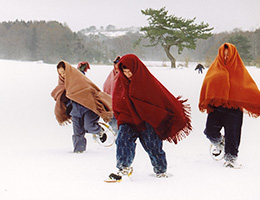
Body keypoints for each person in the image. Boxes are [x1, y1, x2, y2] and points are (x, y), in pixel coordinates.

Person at [111, 54, 192, 178]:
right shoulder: (121, 83)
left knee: (153, 146)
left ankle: (161, 170)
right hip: (128, 119)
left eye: (130, 71)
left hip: (147, 120)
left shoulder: (146, 81)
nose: (127, 74)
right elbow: (118, 102)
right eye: (125, 72)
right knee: (122, 141)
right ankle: (123, 167)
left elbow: (160, 98)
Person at [199, 43, 260, 168]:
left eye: (228, 55)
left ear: (233, 55)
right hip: (217, 108)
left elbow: (249, 87)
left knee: (233, 135)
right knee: (210, 131)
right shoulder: (214, 69)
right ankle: (219, 142)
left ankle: (231, 158)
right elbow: (207, 86)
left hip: (234, 110)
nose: (226, 57)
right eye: (224, 55)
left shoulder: (240, 70)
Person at [51, 61, 113, 153]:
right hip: (75, 111)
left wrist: (81, 70)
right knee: (78, 132)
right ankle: (79, 151)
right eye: (60, 74)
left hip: (89, 108)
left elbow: (83, 80)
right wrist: (67, 105)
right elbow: (62, 96)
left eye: (64, 73)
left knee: (89, 126)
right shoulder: (63, 84)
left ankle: (99, 131)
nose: (63, 75)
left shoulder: (77, 78)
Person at [103, 56, 121, 134]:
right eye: (115, 64)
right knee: (113, 123)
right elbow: (106, 87)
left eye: (119, 64)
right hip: (111, 105)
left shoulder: (123, 75)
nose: (116, 66)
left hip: (121, 106)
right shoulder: (112, 75)